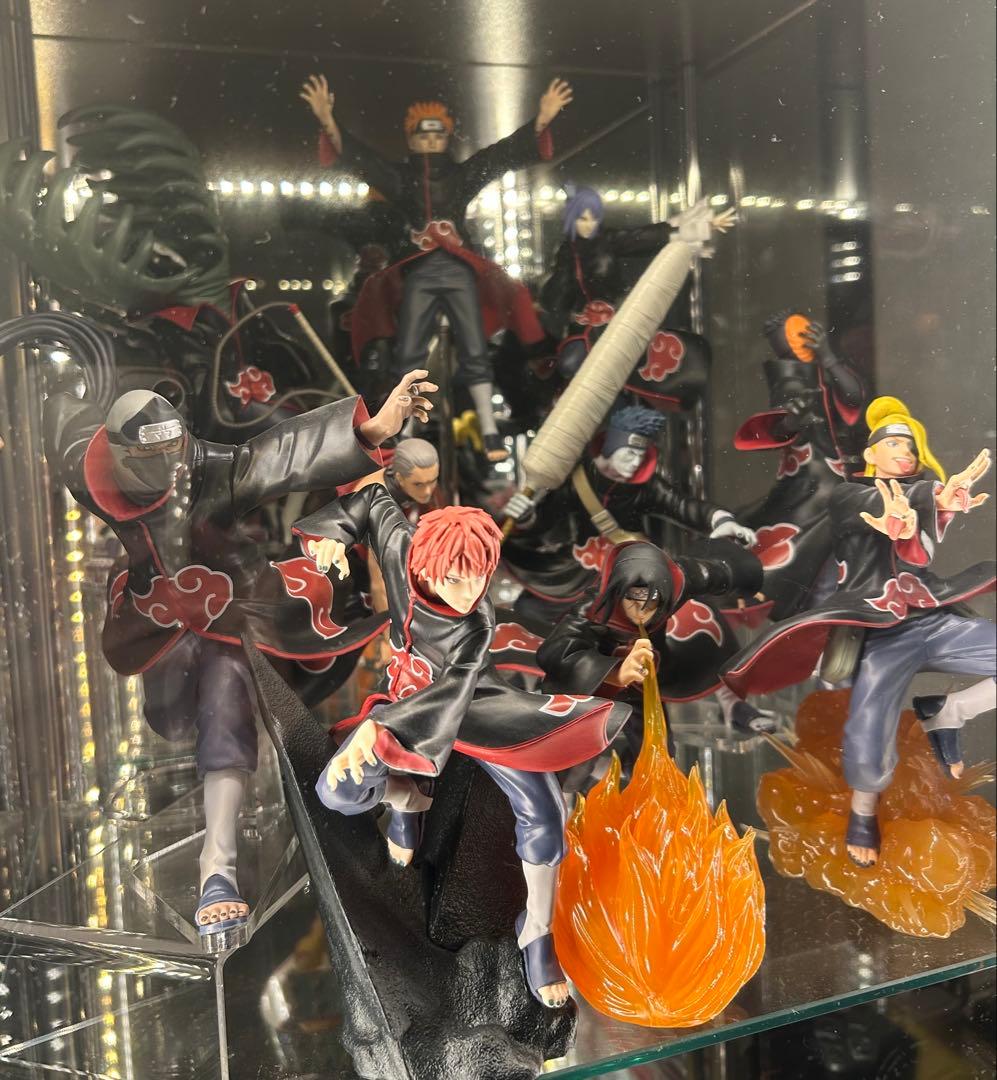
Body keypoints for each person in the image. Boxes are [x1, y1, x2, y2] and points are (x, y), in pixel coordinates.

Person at [44, 369, 436, 937]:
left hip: (228, 600)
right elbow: (63, 424)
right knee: (171, 718)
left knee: (225, 696)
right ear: (121, 456)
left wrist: (369, 429)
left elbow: (277, 456)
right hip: (154, 617)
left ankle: (217, 868)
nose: (172, 467)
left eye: (176, 451)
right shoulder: (86, 468)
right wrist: (64, 390)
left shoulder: (206, 466)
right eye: (154, 457)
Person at [293, 499, 631, 1009]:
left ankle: (537, 930)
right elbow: (371, 498)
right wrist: (331, 537)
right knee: (336, 790)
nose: (470, 593)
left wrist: (379, 732)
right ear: (425, 564)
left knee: (545, 810)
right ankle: (406, 799)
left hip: (474, 708)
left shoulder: (475, 625)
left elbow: (452, 693)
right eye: (456, 578)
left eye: (480, 578)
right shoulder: (400, 547)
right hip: (402, 702)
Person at [722, 397, 995, 867]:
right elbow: (869, 506)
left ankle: (949, 711)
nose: (905, 453)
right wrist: (904, 510)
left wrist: (938, 505)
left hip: (930, 616)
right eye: (894, 444)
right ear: (870, 454)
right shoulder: (848, 494)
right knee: (870, 722)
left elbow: (919, 552)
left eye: (910, 446)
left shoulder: (918, 493)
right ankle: (863, 812)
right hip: (880, 629)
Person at [300, 73, 573, 460]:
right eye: (422, 135)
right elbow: (366, 161)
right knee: (410, 352)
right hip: (417, 274)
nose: (430, 141)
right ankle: (406, 428)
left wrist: (541, 121)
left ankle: (489, 428)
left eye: (437, 134)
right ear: (411, 139)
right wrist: (329, 123)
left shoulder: (460, 176)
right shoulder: (400, 179)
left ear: (446, 137)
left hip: (460, 270)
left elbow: (498, 157)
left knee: (474, 348)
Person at [538, 539, 773, 791]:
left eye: (650, 603)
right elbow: (554, 650)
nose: (641, 612)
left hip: (644, 682)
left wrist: (745, 580)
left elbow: (712, 573)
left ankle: (622, 773)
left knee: (659, 756)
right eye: (633, 601)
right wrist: (615, 672)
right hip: (596, 688)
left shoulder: (677, 582)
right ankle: (583, 780)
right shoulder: (595, 607)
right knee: (573, 770)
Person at [729, 310, 866, 620]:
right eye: (786, 337)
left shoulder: (826, 371)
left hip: (837, 479)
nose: (794, 341)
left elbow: (853, 396)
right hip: (810, 481)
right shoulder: (787, 375)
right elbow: (779, 421)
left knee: (836, 556)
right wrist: (792, 420)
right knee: (807, 553)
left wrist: (828, 357)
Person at [540, 186, 735, 379]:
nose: (589, 225)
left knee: (633, 369)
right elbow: (555, 300)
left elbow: (644, 237)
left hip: (617, 322)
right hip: (582, 328)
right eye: (583, 219)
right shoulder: (566, 252)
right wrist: (562, 276)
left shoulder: (607, 240)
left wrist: (704, 226)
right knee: (571, 365)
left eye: (594, 218)